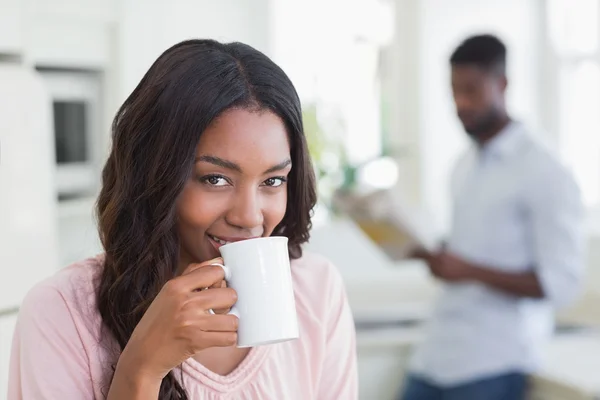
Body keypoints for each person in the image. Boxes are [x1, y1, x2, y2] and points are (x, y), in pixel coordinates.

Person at [8, 39, 358, 400]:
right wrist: (142, 366)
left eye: (272, 181)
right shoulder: (62, 313)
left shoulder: (316, 292)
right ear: (154, 176)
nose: (249, 216)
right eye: (215, 179)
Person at [400, 34, 585, 400]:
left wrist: (466, 269)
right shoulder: (463, 166)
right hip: (436, 355)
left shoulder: (544, 170)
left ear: (502, 84)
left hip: (494, 363)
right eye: (454, 91)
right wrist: (431, 254)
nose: (460, 103)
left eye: (471, 90)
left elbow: (561, 284)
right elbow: (470, 249)